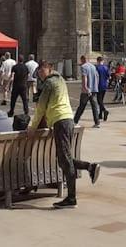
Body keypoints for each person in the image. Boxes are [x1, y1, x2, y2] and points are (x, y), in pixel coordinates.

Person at [27, 60, 100, 209]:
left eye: (42, 71)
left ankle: (72, 198)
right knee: (63, 159)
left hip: (61, 121)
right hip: (67, 119)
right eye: (39, 72)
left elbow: (41, 107)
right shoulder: (60, 80)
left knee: (64, 160)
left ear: (49, 69)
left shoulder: (49, 83)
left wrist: (32, 127)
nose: (40, 74)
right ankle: (89, 167)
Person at [73, 55, 101, 128]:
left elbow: (84, 77)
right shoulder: (93, 66)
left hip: (87, 90)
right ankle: (97, 122)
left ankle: (75, 121)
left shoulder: (84, 67)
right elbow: (97, 76)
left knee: (81, 106)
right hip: (94, 89)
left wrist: (85, 87)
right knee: (94, 106)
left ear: (82, 59)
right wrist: (96, 85)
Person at [95, 56, 110, 122]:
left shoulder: (97, 68)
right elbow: (108, 76)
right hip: (104, 85)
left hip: (99, 85)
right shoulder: (106, 67)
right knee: (101, 100)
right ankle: (100, 114)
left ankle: (104, 110)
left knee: (99, 100)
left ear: (98, 61)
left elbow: (95, 77)